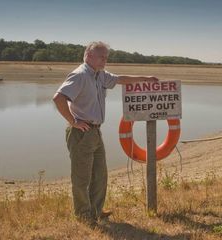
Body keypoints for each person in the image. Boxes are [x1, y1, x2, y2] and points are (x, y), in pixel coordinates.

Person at [53, 41, 158, 227]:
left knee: (100, 175)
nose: (105, 60)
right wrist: (73, 121)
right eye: (102, 57)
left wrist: (145, 79)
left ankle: (96, 210)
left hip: (95, 132)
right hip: (81, 133)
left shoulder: (99, 75)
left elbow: (120, 79)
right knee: (81, 178)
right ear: (88, 56)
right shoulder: (80, 75)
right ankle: (83, 215)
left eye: (106, 57)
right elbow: (59, 98)